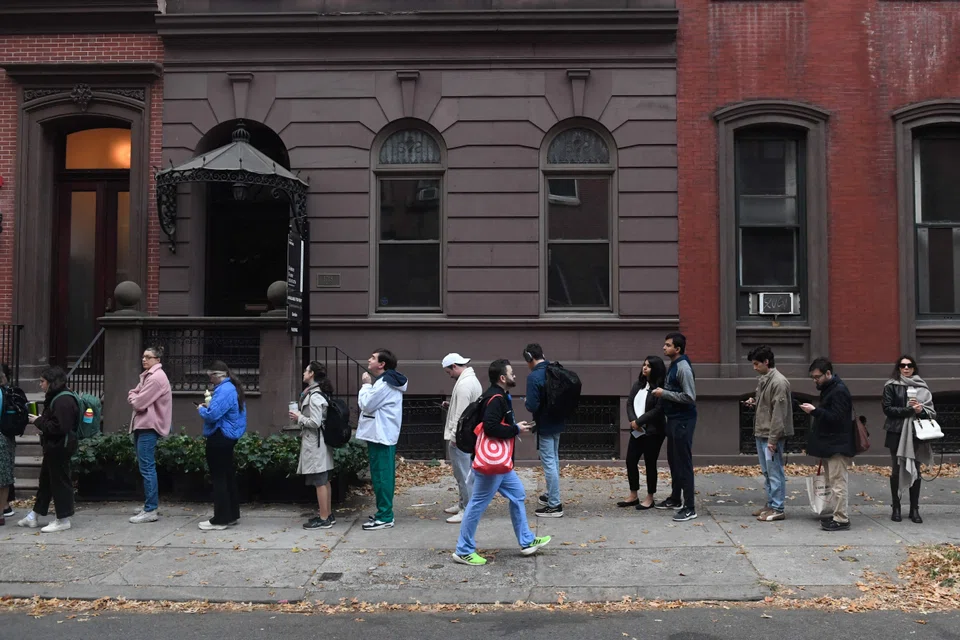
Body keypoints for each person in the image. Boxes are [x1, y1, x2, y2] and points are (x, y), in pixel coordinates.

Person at [452, 359, 551, 566]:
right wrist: (516, 429)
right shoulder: (495, 399)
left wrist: (514, 427)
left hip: (500, 463)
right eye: (512, 373)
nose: (515, 375)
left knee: (518, 494)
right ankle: (463, 550)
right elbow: (490, 427)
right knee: (477, 503)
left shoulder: (496, 396)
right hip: (492, 464)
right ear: (503, 378)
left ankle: (526, 541)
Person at [19, 367, 78, 533]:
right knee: (46, 482)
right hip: (54, 446)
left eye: (42, 381)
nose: (40, 385)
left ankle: (63, 518)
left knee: (60, 482)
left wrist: (39, 421)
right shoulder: (59, 398)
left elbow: (60, 427)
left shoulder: (63, 400)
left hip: (59, 446)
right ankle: (34, 515)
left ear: (52, 383)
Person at [800, 357, 855, 532]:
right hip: (832, 444)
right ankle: (838, 515)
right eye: (813, 377)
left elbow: (837, 418)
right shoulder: (831, 388)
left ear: (828, 373)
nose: (815, 380)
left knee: (838, 483)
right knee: (833, 482)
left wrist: (814, 411)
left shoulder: (839, 390)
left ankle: (841, 519)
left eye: (817, 377)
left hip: (837, 445)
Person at [357, 349, 408, 531]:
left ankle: (385, 516)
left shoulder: (384, 384)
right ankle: (383, 513)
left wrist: (365, 386)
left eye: (372, 358)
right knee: (380, 476)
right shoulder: (387, 382)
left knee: (382, 477)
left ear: (382, 364)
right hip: (380, 434)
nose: (368, 360)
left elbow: (367, 405)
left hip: (381, 436)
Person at [743, 345, 794, 522]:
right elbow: (769, 405)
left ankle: (778, 507)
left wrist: (773, 440)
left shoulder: (778, 382)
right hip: (763, 432)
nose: (754, 367)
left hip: (770, 435)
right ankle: (772, 504)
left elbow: (779, 414)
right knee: (767, 471)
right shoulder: (765, 378)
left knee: (774, 471)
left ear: (766, 362)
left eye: (757, 364)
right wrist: (755, 401)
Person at [882, 355, 934, 524]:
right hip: (896, 433)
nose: (906, 368)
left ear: (914, 368)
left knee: (916, 471)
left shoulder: (922, 386)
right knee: (897, 471)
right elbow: (888, 409)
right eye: (902, 365)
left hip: (916, 433)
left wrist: (920, 411)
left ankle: (914, 509)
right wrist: (909, 410)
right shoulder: (891, 386)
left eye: (909, 365)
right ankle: (896, 507)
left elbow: (930, 412)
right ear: (898, 368)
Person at [653, 332, 698, 522]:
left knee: (683, 463)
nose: (664, 348)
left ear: (677, 349)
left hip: (683, 421)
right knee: (673, 460)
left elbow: (689, 397)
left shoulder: (683, 368)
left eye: (668, 345)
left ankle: (690, 507)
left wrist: (664, 393)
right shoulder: (674, 365)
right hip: (673, 419)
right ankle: (675, 498)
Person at [197, 361, 247, 531]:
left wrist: (201, 409)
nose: (210, 380)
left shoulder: (225, 390)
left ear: (218, 375)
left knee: (219, 478)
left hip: (220, 436)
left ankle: (220, 519)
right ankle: (231, 515)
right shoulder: (232, 388)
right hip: (227, 436)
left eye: (210, 376)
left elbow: (212, 415)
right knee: (227, 476)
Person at [127, 346, 173, 524]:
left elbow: (138, 402)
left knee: (147, 468)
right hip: (143, 425)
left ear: (157, 360)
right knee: (145, 467)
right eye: (143, 356)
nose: (144, 360)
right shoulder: (148, 376)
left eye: (148, 357)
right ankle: (149, 504)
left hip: (149, 426)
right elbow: (134, 393)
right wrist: (135, 397)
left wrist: (134, 398)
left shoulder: (156, 378)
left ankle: (151, 509)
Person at [291, 361, 336, 530]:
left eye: (306, 371)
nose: (303, 373)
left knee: (320, 481)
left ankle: (324, 518)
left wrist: (299, 418)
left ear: (312, 375)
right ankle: (327, 514)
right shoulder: (317, 393)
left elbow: (315, 422)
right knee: (324, 480)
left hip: (316, 443)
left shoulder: (315, 396)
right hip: (320, 442)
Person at [619, 356, 667, 510]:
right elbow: (629, 403)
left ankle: (650, 497)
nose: (645, 368)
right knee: (630, 461)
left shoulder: (660, 388)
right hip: (637, 431)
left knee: (650, 463)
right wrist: (633, 421)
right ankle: (633, 495)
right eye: (644, 365)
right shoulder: (638, 385)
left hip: (654, 431)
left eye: (649, 366)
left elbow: (658, 410)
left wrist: (639, 422)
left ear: (656, 369)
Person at [523, 343, 564, 518]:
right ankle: (550, 494)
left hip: (544, 424)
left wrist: (526, 401)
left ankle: (554, 505)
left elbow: (532, 405)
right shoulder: (556, 370)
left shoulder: (534, 377)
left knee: (549, 463)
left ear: (529, 358)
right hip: (557, 421)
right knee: (553, 460)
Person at [440, 353, 482, 524]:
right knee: (462, 474)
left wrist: (454, 436)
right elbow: (466, 409)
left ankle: (467, 509)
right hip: (466, 436)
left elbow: (461, 416)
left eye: (448, 371)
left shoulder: (464, 385)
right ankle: (463, 504)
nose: (448, 375)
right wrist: (451, 405)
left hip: (462, 438)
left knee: (464, 474)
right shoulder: (470, 381)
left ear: (454, 366)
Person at [1, 363, 18, 519]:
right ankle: (4, 507)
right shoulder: (8, 392)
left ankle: (4, 508)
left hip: (3, 436)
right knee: (5, 475)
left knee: (3, 476)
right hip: (7, 436)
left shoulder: (5, 394)